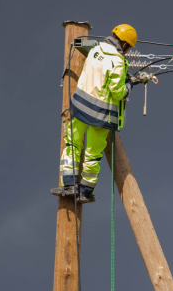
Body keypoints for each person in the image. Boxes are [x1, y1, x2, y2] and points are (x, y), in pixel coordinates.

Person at [55, 24, 144, 203]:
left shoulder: (95, 50)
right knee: (93, 153)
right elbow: (117, 93)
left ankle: (69, 185)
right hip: (100, 115)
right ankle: (85, 191)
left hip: (79, 106)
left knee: (72, 144)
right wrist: (131, 84)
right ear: (125, 45)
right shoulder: (118, 61)